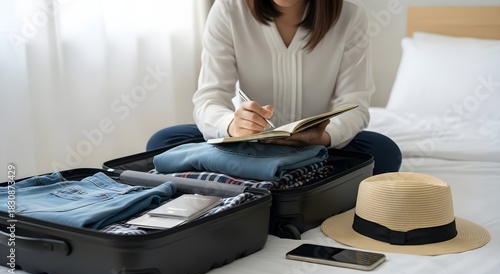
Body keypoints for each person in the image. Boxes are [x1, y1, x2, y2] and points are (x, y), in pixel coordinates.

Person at [147, 0, 401, 174]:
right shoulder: (228, 10)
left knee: (383, 151)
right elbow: (210, 97)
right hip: (248, 143)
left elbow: (354, 103)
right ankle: (295, 180)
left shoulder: (350, 17)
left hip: (316, 147)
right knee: (164, 142)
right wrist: (232, 125)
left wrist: (325, 136)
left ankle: (251, 179)